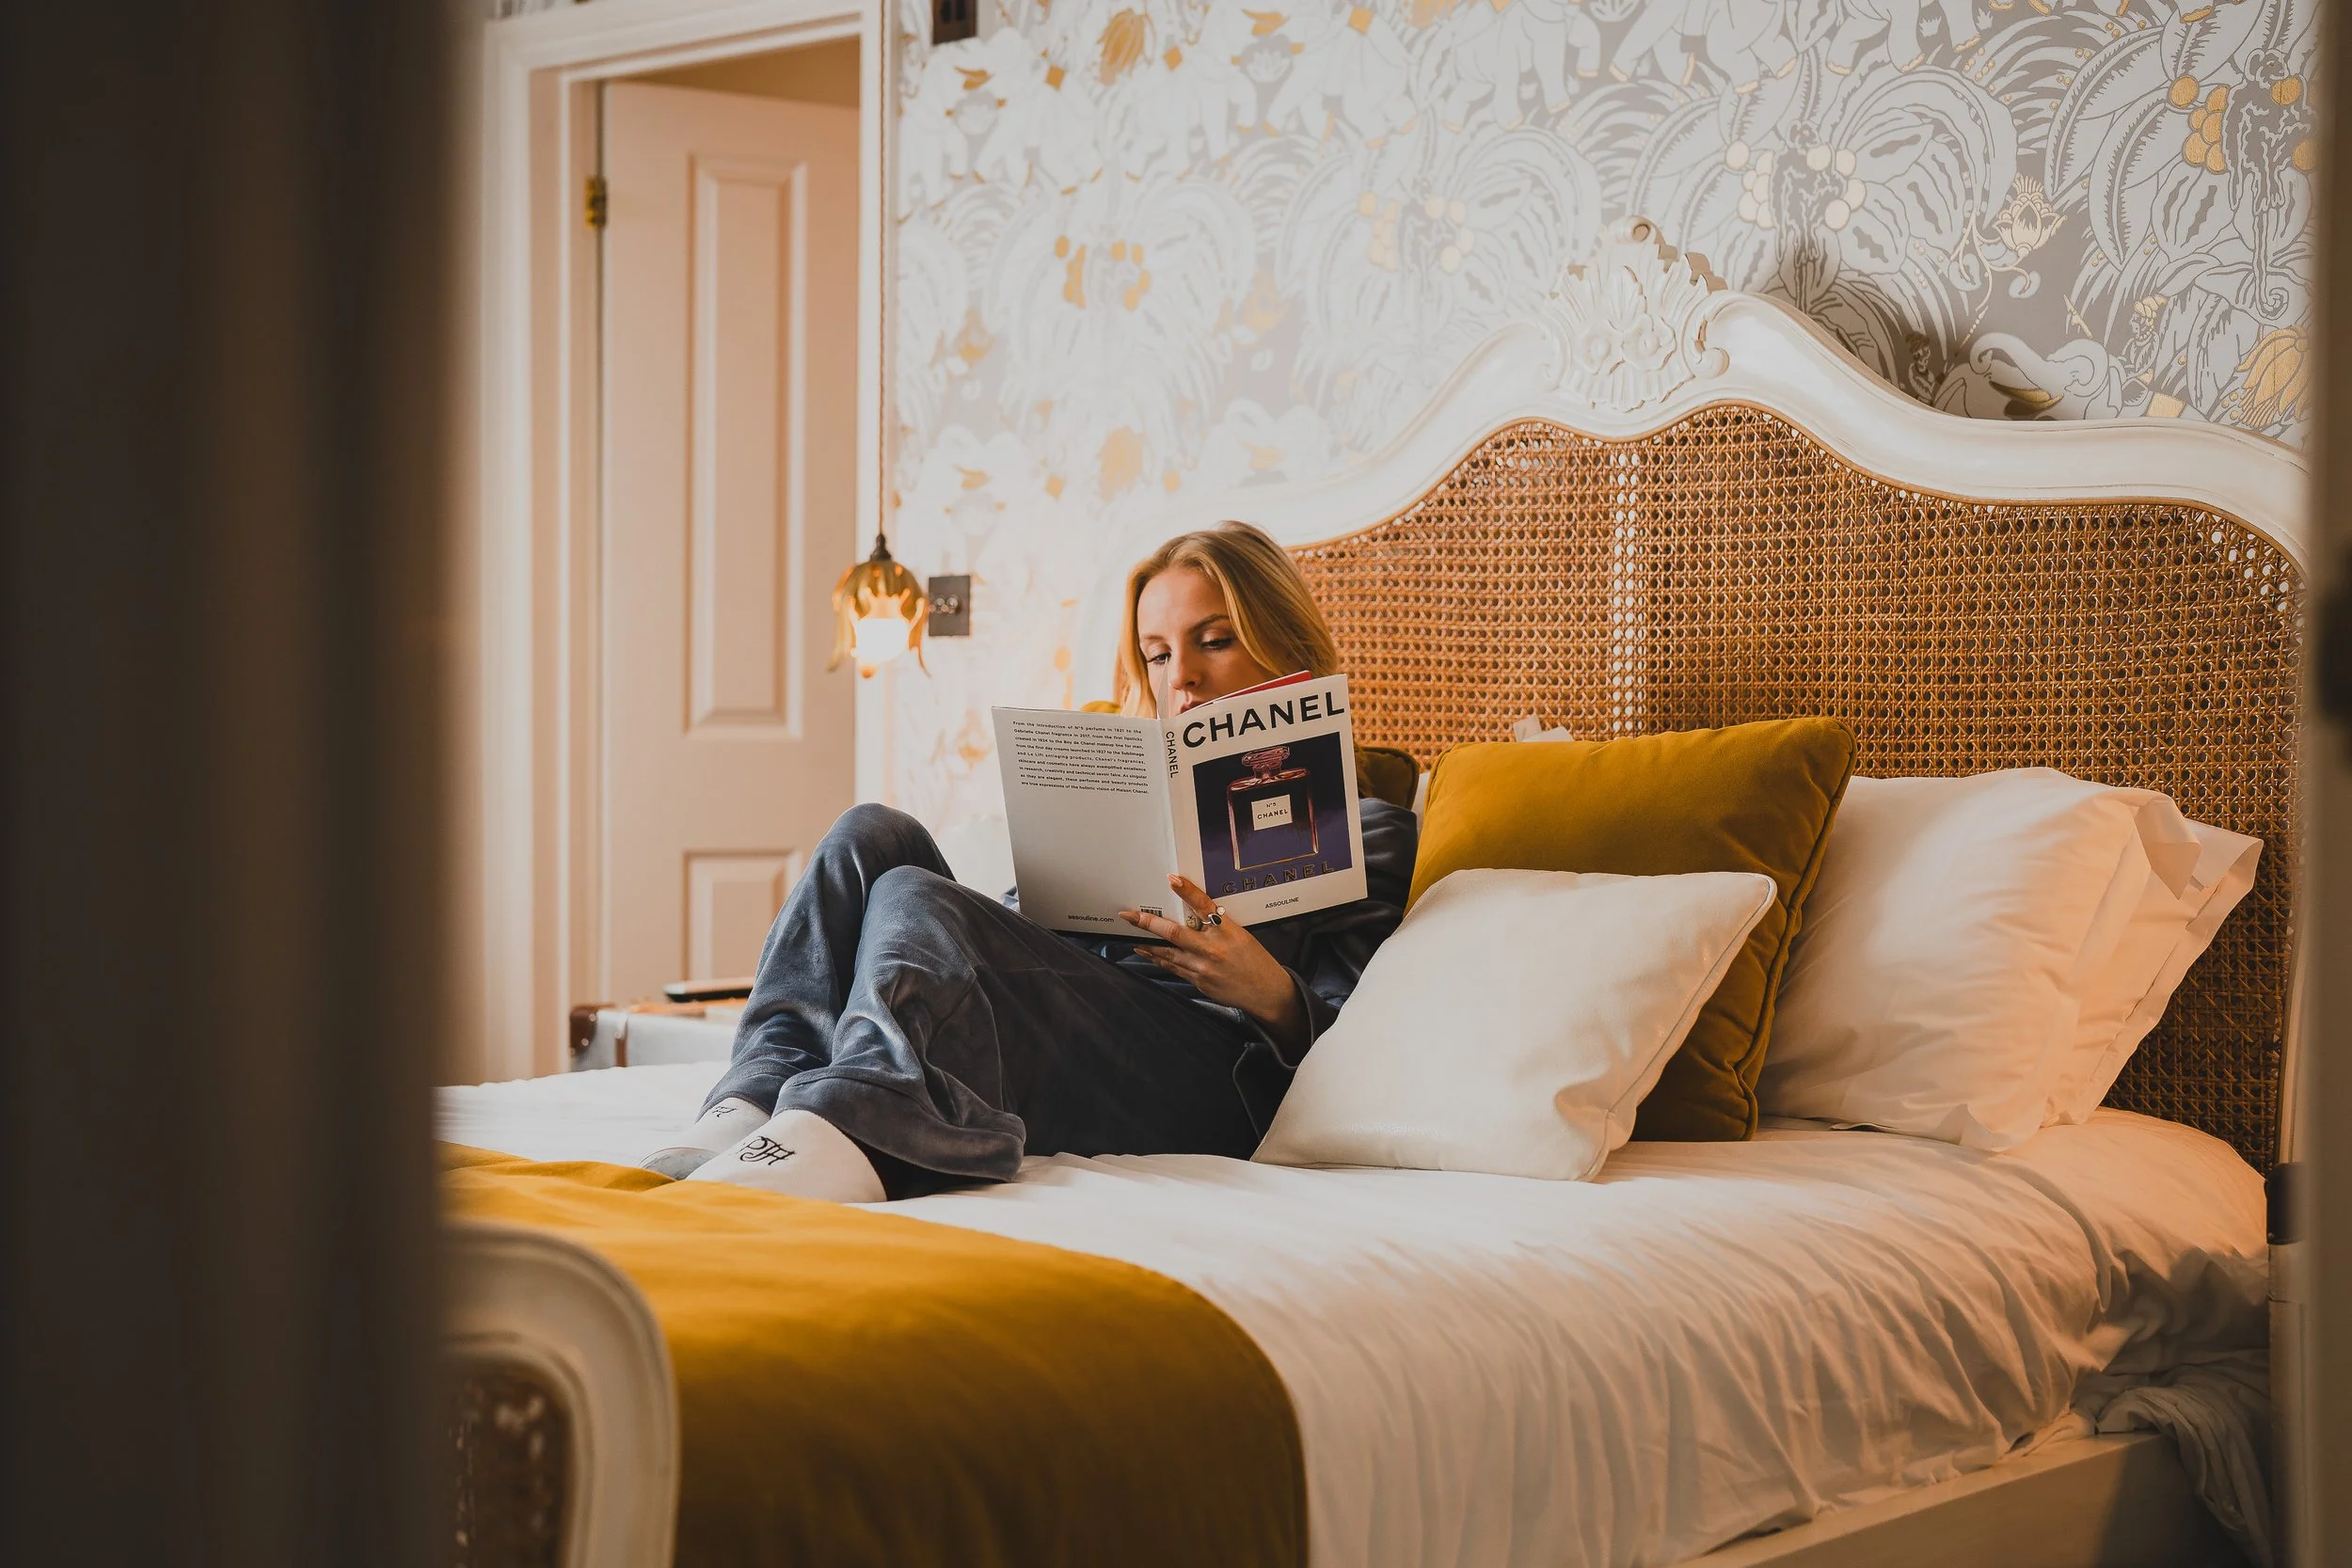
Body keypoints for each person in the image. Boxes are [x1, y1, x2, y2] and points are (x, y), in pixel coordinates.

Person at [640, 521, 1419, 1201]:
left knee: (915, 893)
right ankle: (757, 1095)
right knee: (870, 834)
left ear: (1288, 647)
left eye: (1214, 640)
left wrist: (1269, 992)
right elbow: (1017, 936)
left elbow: (1364, 1058)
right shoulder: (1132, 788)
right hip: (1072, 1022)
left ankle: (863, 1114)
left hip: (1200, 1071)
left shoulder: (1367, 829)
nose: (1180, 676)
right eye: (1156, 654)